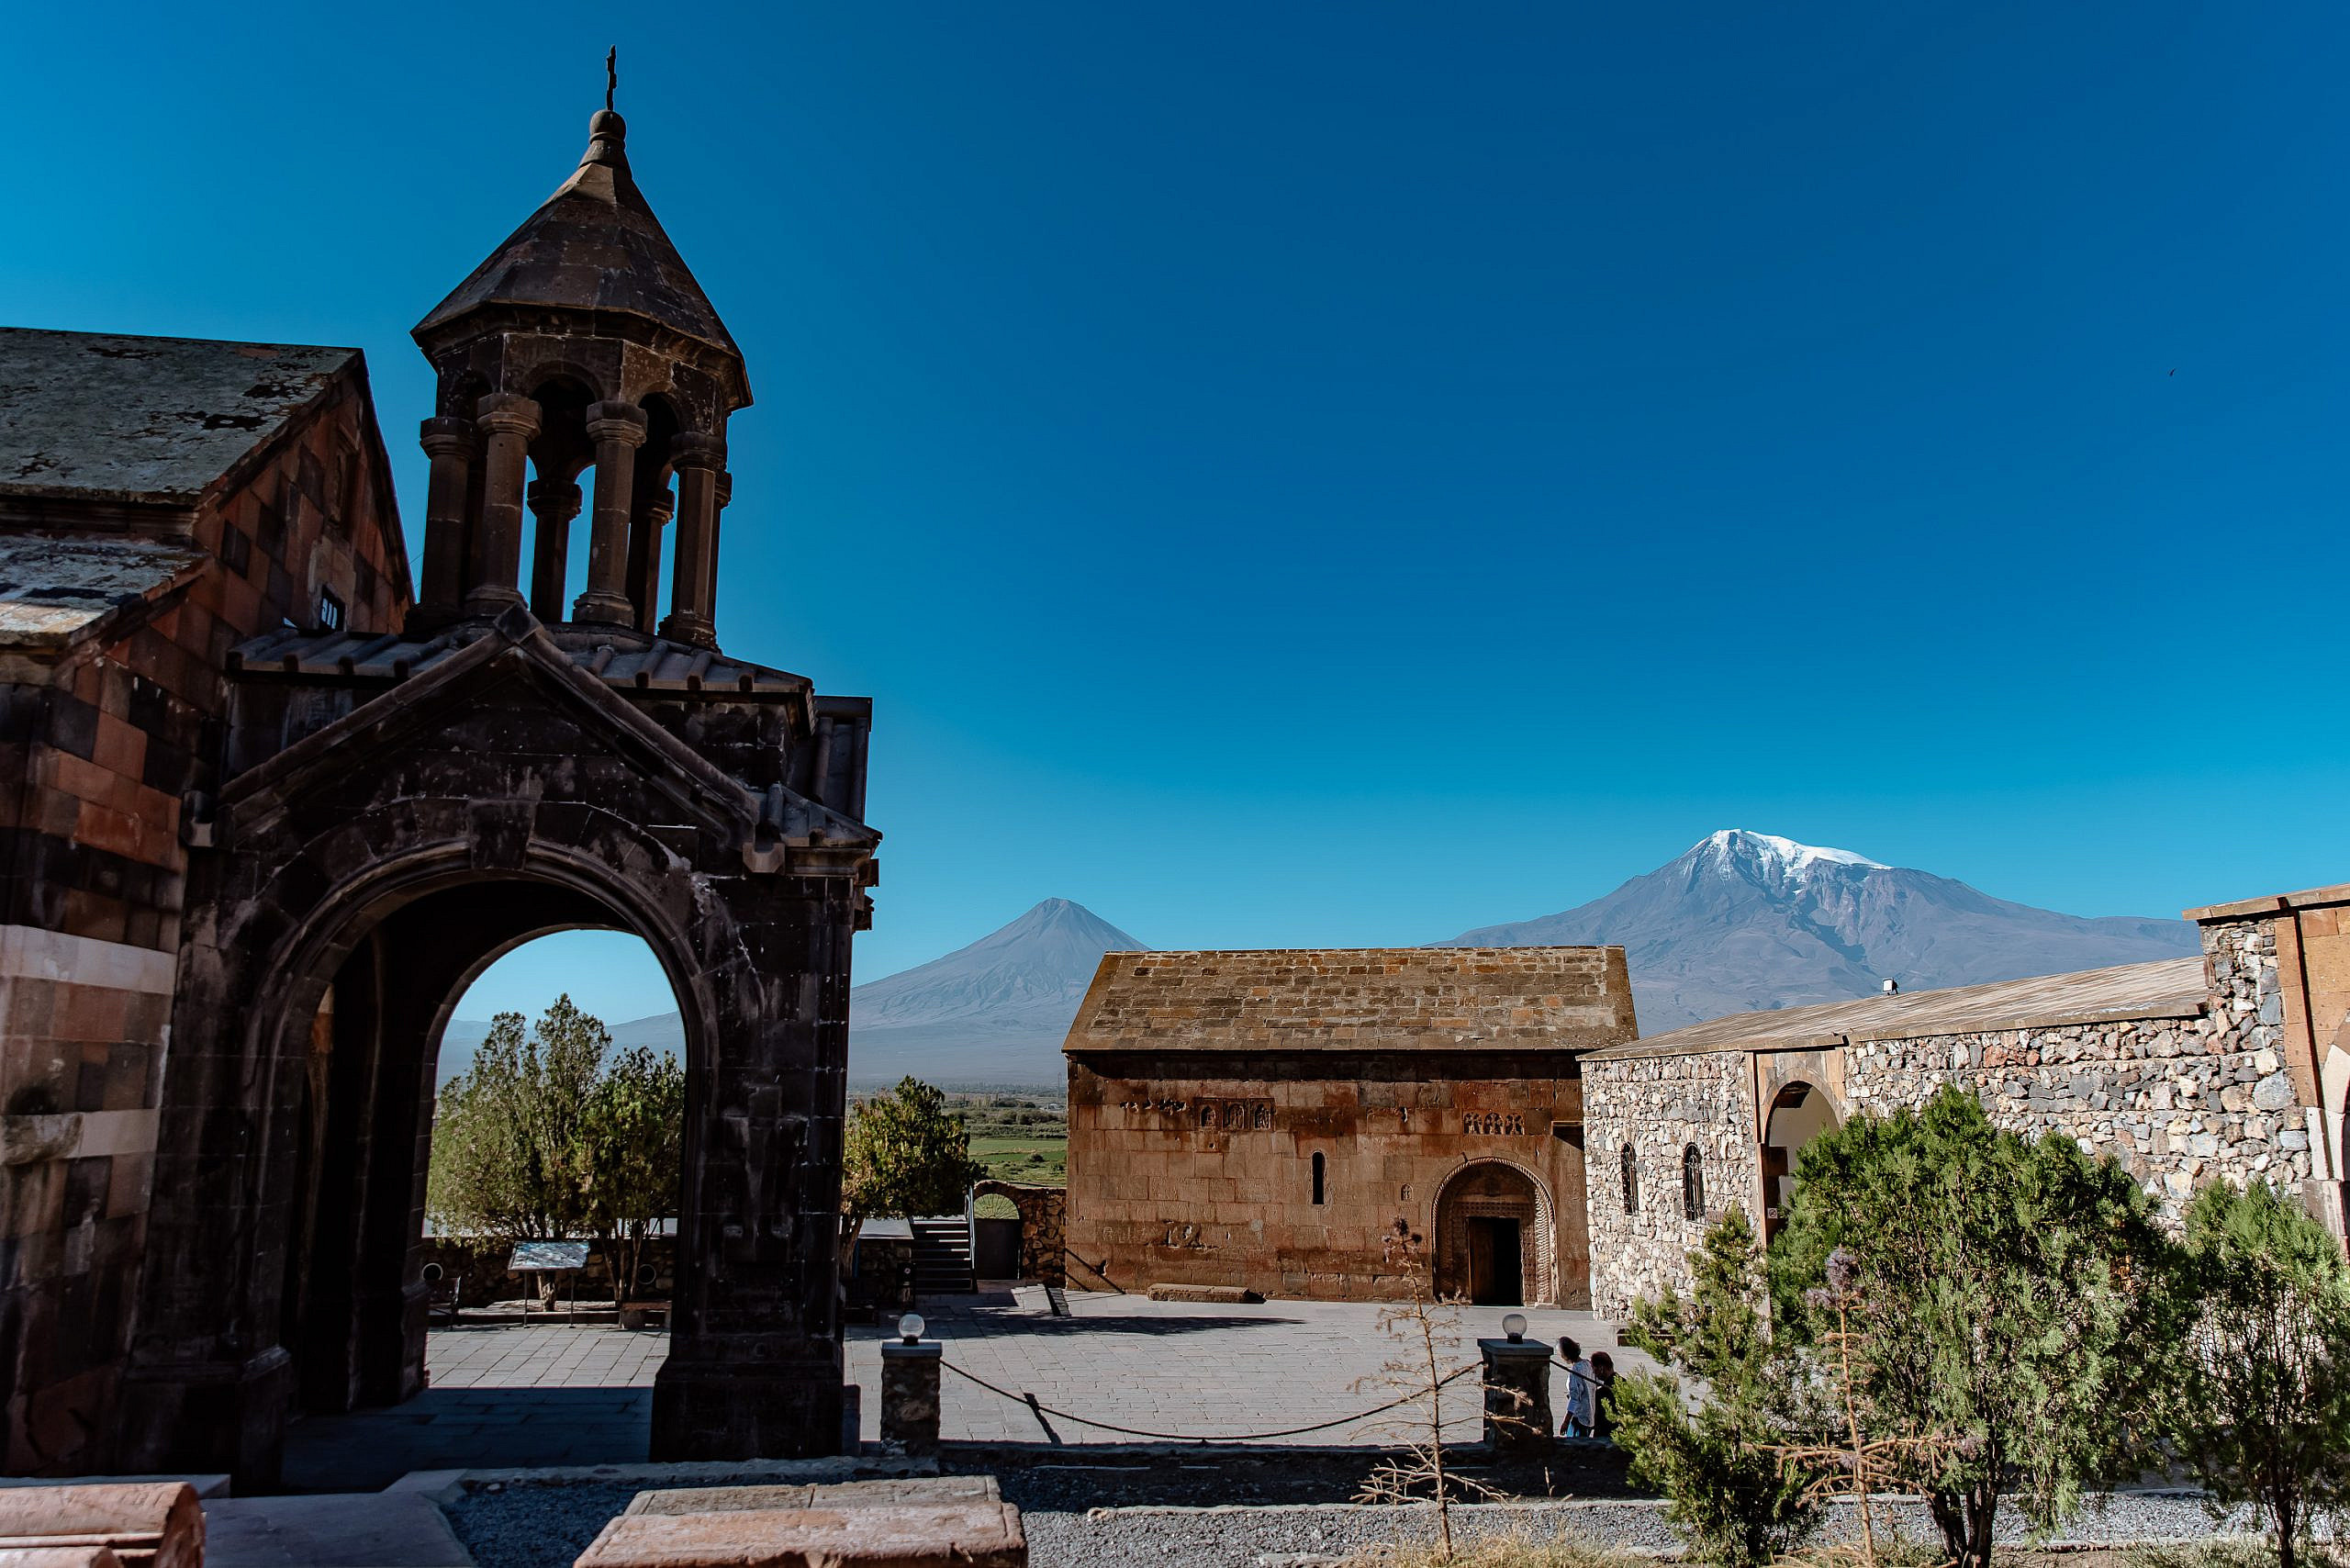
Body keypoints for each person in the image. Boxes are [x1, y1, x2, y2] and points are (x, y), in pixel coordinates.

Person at [1558, 1336, 1595, 1438]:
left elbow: (1575, 1399)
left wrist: (1566, 1422)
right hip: (1590, 1414)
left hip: (1579, 1417)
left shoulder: (1575, 1371)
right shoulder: (1588, 1364)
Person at [1590, 1350, 1618, 1441]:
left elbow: (1599, 1421)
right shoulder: (1625, 1384)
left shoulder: (1602, 1393)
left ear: (1601, 1368)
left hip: (1607, 1437)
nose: (1594, 1373)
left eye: (1595, 1370)